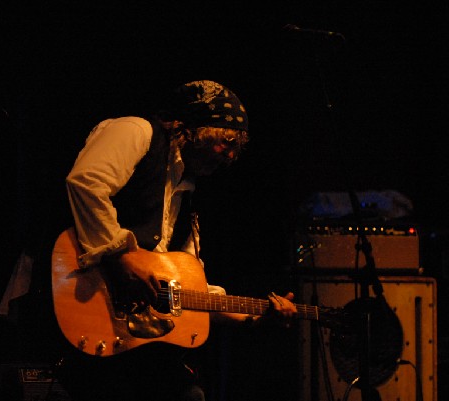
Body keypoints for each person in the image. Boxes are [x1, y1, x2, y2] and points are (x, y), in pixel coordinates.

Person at [55, 80, 296, 401]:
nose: (229, 155)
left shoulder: (187, 196)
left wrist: (252, 314)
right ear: (192, 127)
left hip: (131, 343)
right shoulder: (136, 131)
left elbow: (183, 291)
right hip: (78, 301)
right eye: (225, 141)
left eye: (236, 146)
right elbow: (86, 183)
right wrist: (122, 255)